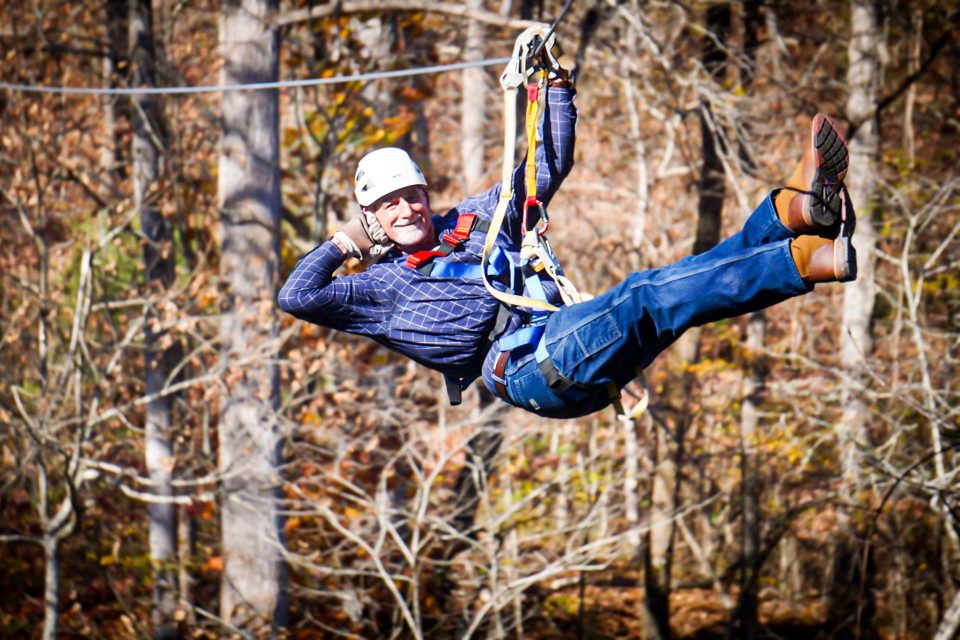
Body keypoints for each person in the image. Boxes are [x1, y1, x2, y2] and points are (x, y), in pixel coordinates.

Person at [278, 59, 855, 420]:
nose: (405, 209)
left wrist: (553, 87)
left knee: (676, 297)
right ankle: (798, 257)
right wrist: (348, 241)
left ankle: (792, 217)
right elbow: (296, 297)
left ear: (426, 193)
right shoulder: (380, 289)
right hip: (527, 368)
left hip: (562, 343)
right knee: (645, 296)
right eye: (387, 205)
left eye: (411, 195)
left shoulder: (475, 218)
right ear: (373, 216)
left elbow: (545, 167)